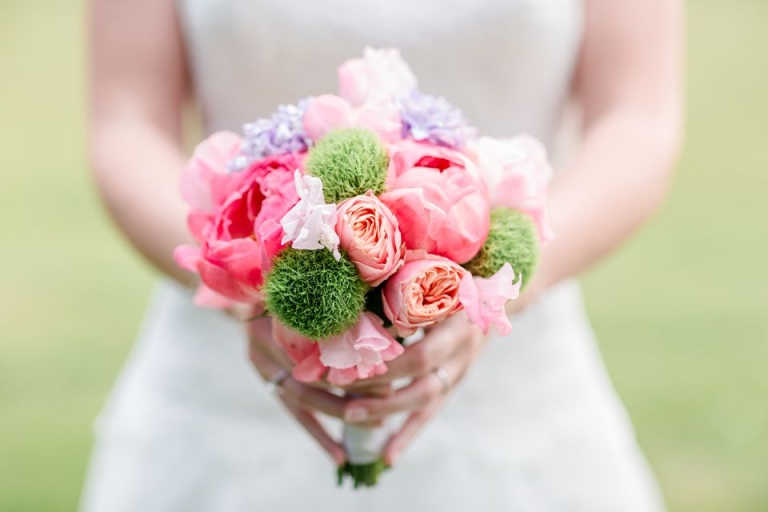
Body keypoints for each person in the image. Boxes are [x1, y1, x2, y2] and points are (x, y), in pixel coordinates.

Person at [81, 0, 682, 510]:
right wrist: (251, 292)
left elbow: (637, 119)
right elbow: (127, 123)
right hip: (218, 397)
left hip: (518, 393)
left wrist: (497, 282)